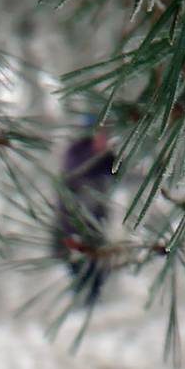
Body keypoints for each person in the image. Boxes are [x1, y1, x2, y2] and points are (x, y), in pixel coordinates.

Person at [53, 118, 116, 305]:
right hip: (73, 224)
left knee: (97, 265)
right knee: (78, 264)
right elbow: (76, 171)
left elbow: (118, 172)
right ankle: (83, 299)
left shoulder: (107, 158)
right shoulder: (76, 153)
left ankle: (92, 300)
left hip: (96, 223)